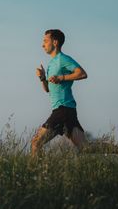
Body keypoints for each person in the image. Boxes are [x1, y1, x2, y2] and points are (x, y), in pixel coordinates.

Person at [32, 29, 88, 157]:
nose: (42, 45)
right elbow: (48, 90)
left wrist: (61, 78)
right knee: (85, 148)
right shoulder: (51, 64)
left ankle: (36, 174)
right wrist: (42, 78)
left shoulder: (63, 59)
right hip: (68, 111)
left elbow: (82, 74)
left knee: (36, 143)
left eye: (45, 41)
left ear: (55, 42)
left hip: (62, 109)